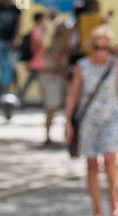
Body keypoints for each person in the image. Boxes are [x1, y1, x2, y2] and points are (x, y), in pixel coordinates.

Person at [66, 25, 118, 216]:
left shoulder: (116, 65)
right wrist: (68, 122)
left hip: (112, 118)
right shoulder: (82, 66)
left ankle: (114, 199)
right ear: (91, 47)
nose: (101, 52)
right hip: (89, 120)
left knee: (110, 159)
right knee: (92, 165)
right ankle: (97, 209)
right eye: (97, 47)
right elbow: (73, 94)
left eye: (105, 48)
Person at [41, 15, 74, 145]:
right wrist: (66, 71)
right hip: (52, 78)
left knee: (50, 108)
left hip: (49, 77)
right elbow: (57, 61)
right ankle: (48, 136)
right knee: (51, 107)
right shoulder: (59, 42)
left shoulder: (55, 40)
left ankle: (49, 135)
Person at [0, 0, 23, 102]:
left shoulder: (15, 9)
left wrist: (15, 39)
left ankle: (17, 93)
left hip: (11, 42)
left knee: (13, 68)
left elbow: (19, 24)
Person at [19, 9, 49, 104]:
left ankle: (21, 96)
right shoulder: (37, 31)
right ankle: (45, 100)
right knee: (37, 80)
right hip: (37, 59)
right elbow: (39, 44)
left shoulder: (35, 30)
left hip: (36, 59)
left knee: (33, 80)